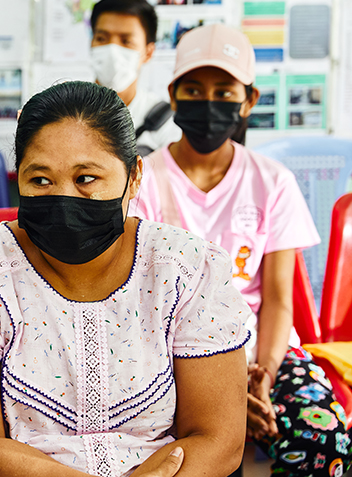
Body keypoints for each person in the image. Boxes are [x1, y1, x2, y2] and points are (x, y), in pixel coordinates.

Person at [0, 80, 251, 477]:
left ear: (134, 176)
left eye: (87, 178)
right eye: (40, 180)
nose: (64, 198)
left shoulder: (188, 270)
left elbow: (220, 440)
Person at [132, 24, 352, 477]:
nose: (208, 103)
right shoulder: (143, 179)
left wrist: (263, 376)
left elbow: (277, 300)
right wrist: (224, 394)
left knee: (324, 439)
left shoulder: (272, 182)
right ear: (173, 96)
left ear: (248, 101)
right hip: (170, 360)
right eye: (193, 89)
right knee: (182, 447)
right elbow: (142, 304)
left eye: (224, 91)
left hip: (263, 354)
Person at [90, 0, 181, 155]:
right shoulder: (63, 114)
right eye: (101, 38)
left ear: (148, 52)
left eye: (126, 41)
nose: (112, 50)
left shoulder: (167, 124)